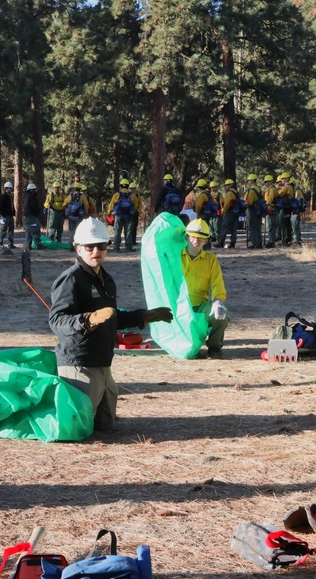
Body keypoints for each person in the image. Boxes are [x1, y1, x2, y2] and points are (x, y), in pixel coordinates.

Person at [48, 218, 172, 431]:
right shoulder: (71, 279)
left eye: (101, 246)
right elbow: (57, 320)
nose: (96, 250)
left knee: (106, 426)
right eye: (90, 246)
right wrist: (87, 320)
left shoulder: (106, 280)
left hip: (103, 363)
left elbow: (111, 318)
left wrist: (143, 317)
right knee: (78, 429)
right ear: (79, 249)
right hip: (79, 364)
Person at [181, 219, 229, 359]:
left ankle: (214, 347)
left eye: (201, 239)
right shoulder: (175, 256)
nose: (196, 241)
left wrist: (218, 301)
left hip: (200, 306)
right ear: (187, 237)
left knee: (221, 314)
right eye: (193, 237)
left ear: (206, 241)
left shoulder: (211, 260)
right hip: (178, 306)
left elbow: (217, 283)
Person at [107, 178, 136, 252]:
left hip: (118, 216)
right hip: (129, 216)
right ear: (127, 186)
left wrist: (109, 212)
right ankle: (129, 248)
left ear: (121, 186)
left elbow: (111, 204)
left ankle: (116, 248)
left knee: (117, 231)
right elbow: (135, 205)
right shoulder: (132, 195)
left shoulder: (117, 195)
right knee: (128, 231)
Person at [64, 182, 89, 249]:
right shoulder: (82, 196)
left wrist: (67, 210)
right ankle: (78, 245)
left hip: (71, 216)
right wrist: (85, 213)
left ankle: (70, 244)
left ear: (74, 189)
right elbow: (86, 205)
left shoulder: (70, 196)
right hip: (79, 216)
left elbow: (64, 203)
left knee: (72, 230)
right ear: (80, 189)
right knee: (79, 230)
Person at [217, 179, 240, 249]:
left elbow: (227, 204)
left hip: (229, 212)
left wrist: (224, 211)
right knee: (233, 228)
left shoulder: (229, 193)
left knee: (224, 227)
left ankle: (220, 242)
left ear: (230, 185)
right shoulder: (236, 192)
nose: (225, 187)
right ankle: (232, 243)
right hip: (235, 212)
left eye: (226, 185)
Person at [23, 182, 44, 250]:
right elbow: (35, 207)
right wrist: (39, 211)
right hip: (32, 217)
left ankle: (28, 245)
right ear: (32, 190)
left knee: (28, 232)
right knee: (35, 230)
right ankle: (38, 245)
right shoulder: (32, 197)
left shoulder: (26, 197)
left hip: (26, 217)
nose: (36, 191)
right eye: (34, 189)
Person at [244, 173, 262, 249]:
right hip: (259, 210)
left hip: (253, 211)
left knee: (253, 228)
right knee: (258, 227)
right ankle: (259, 243)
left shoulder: (251, 190)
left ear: (251, 181)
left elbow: (250, 202)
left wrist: (245, 205)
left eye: (248, 181)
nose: (247, 183)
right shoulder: (258, 188)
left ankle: (255, 244)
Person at [275, 174, 294, 246]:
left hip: (284, 208)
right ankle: (288, 240)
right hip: (288, 208)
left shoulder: (286, 187)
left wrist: (276, 189)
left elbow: (278, 194)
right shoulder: (290, 187)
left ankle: (285, 241)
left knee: (283, 225)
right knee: (287, 225)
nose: (281, 180)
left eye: (283, 179)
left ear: (286, 179)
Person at [0, 180, 16, 249]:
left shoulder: (10, 197)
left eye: (11, 188)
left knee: (11, 230)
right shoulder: (3, 197)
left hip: (10, 216)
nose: (11, 189)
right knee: (3, 230)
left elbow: (12, 205)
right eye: (10, 188)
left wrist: (13, 212)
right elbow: (0, 207)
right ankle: (0, 243)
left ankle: (10, 244)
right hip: (5, 217)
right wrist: (3, 215)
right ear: (6, 188)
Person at [262, 174, 278, 248]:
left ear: (270, 182)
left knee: (271, 226)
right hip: (268, 208)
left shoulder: (272, 190)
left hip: (271, 208)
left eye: (266, 182)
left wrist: (265, 205)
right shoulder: (268, 190)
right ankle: (271, 240)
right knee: (269, 225)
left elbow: (270, 199)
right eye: (265, 182)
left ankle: (272, 241)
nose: (265, 183)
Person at [129, 181, 144, 250]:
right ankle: (130, 241)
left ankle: (133, 241)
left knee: (134, 227)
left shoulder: (137, 196)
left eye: (133, 188)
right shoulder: (128, 195)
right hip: (129, 213)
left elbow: (140, 204)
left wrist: (139, 210)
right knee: (130, 228)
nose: (132, 190)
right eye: (131, 188)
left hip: (134, 213)